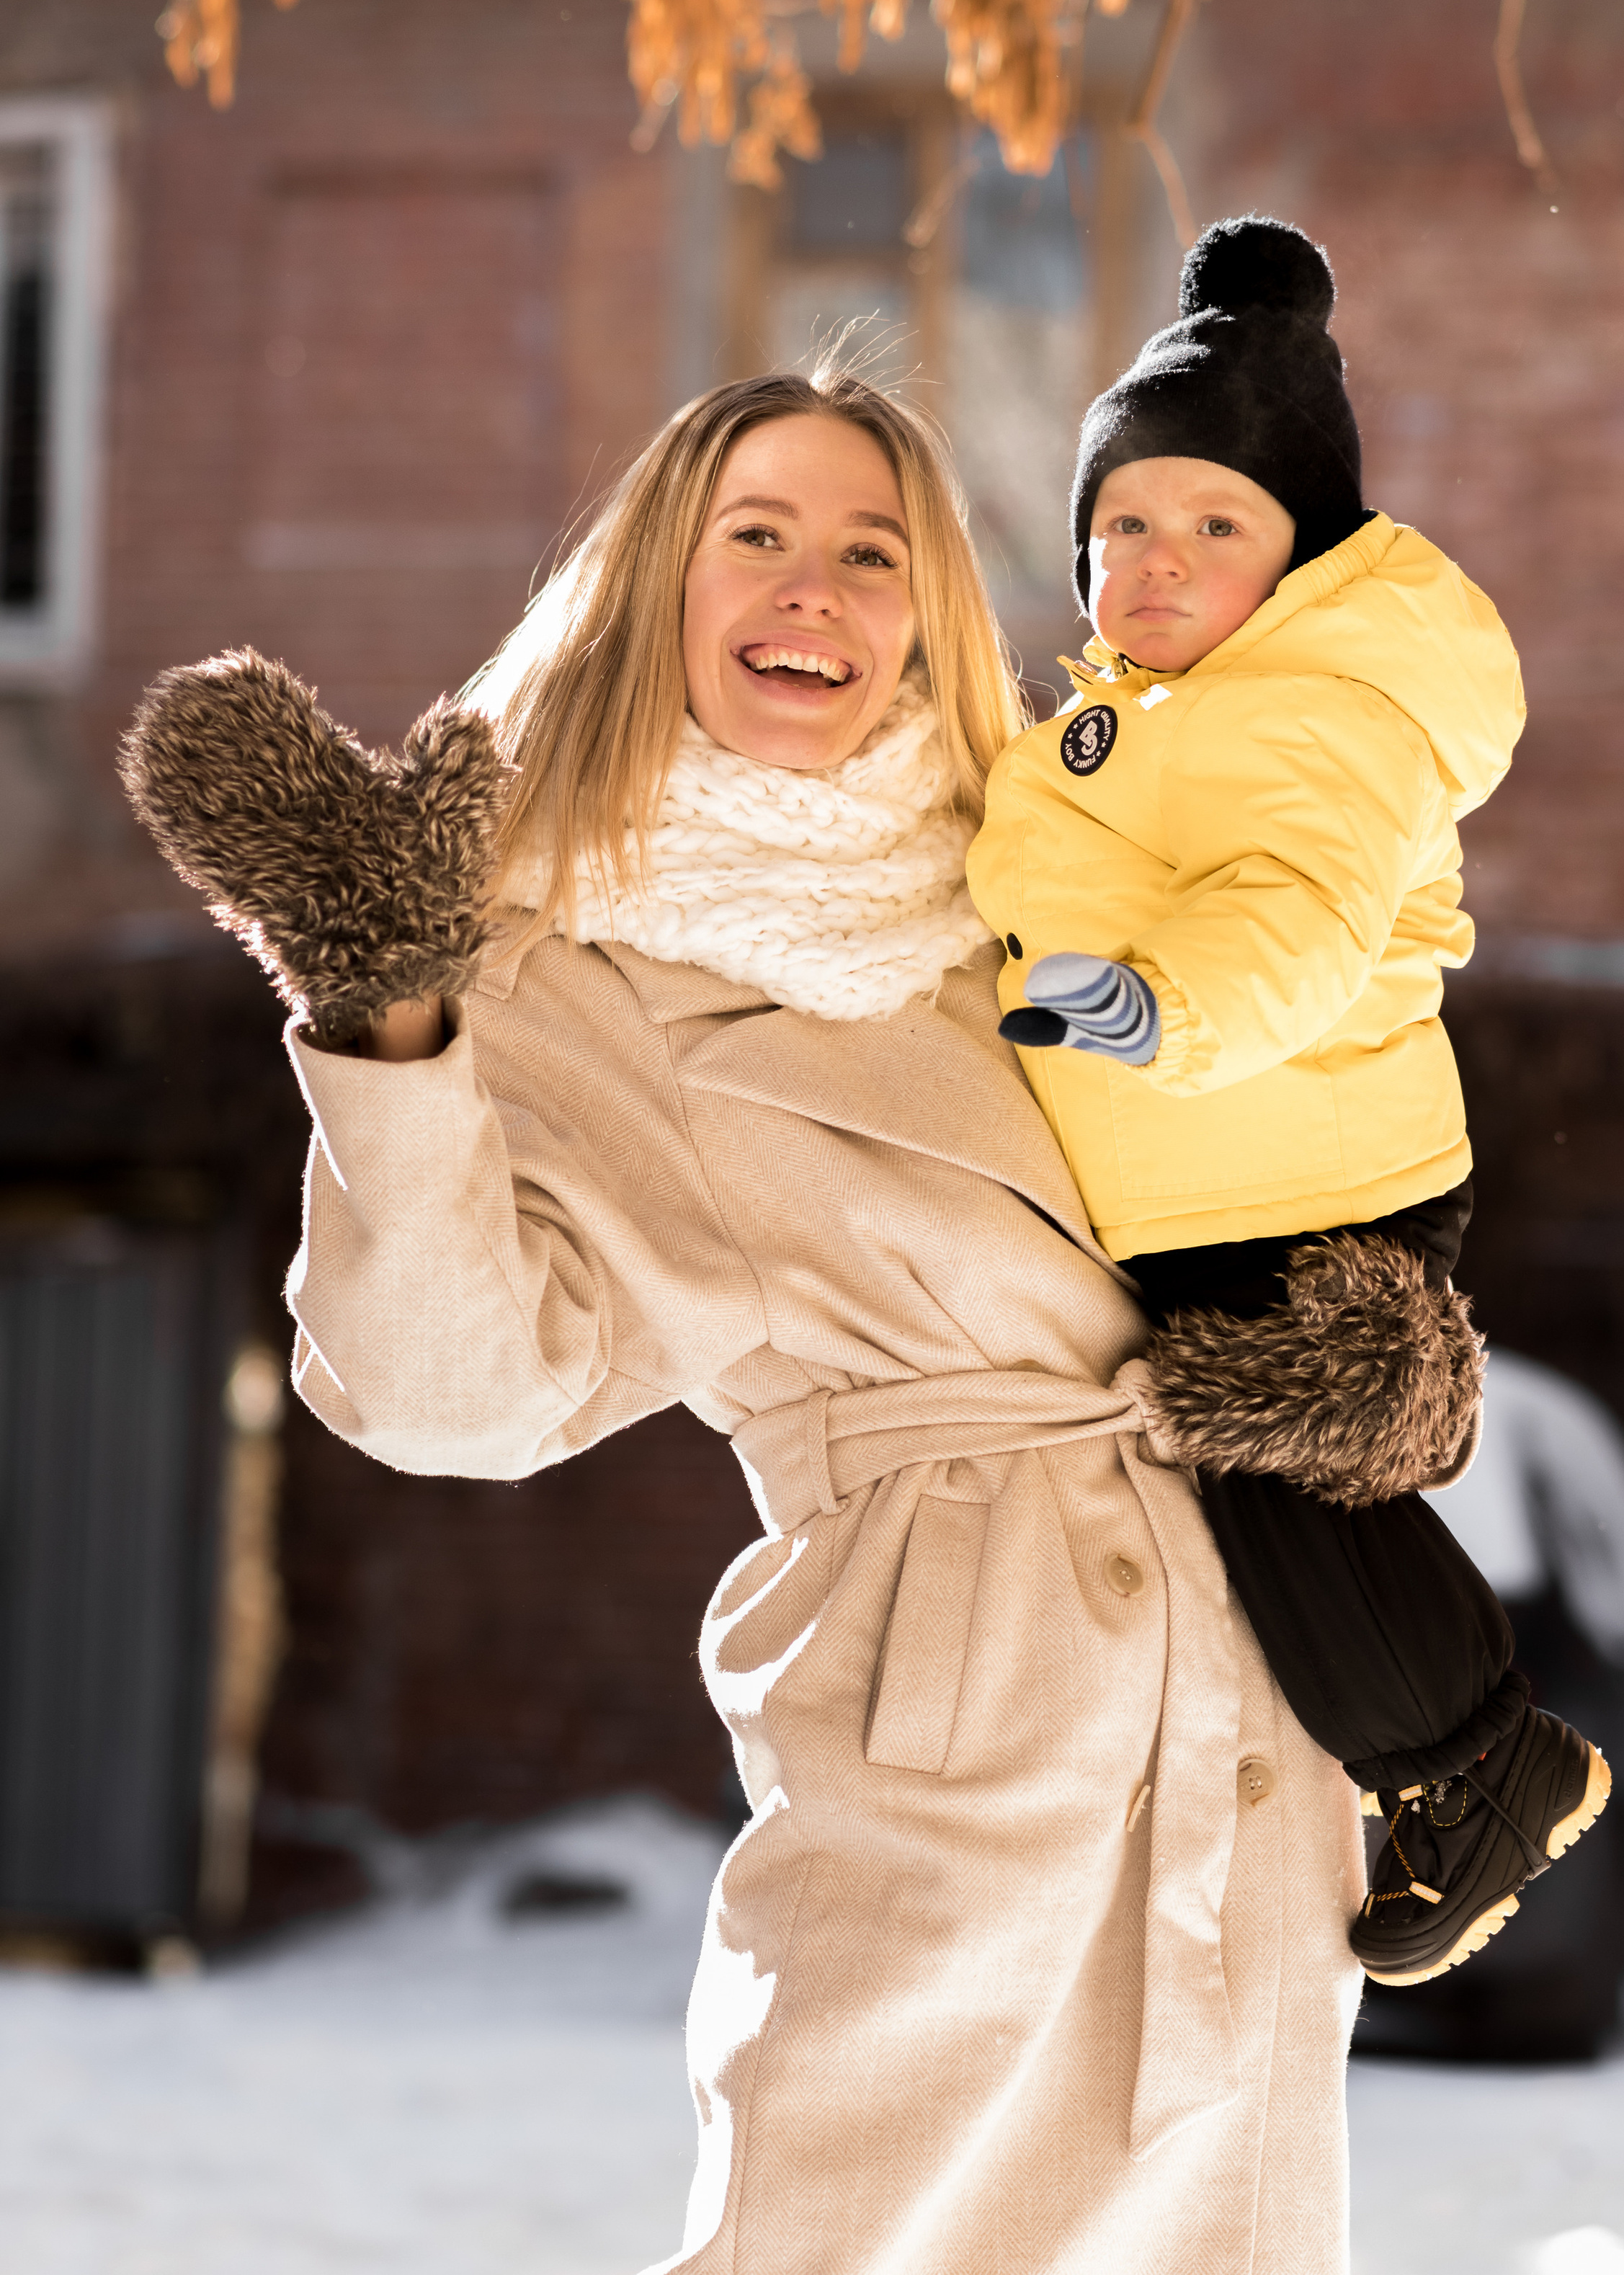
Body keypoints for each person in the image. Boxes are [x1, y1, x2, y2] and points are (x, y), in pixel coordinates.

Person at [120, 366, 1365, 2274]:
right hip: (963, 1719)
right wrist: (388, 1022)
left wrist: (1355, 1344)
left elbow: (1282, 1157)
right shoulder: (564, 957)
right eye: (757, 538)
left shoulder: (1047, 887)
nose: (816, 588)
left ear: (929, 618)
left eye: (873, 553)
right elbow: (452, 1392)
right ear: (654, 594)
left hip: (1241, 1689)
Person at [965, 218, 1611, 1987]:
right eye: (1121, 527)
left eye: (1211, 524)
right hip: (1219, 1170)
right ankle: (1457, 1759)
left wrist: (1154, 1004)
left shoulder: (1312, 711)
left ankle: (1479, 1765)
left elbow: (1298, 920)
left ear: (1301, 550)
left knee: (1281, 1485)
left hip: (1295, 1167)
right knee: (1263, 1488)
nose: (1153, 560)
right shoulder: (1148, 712)